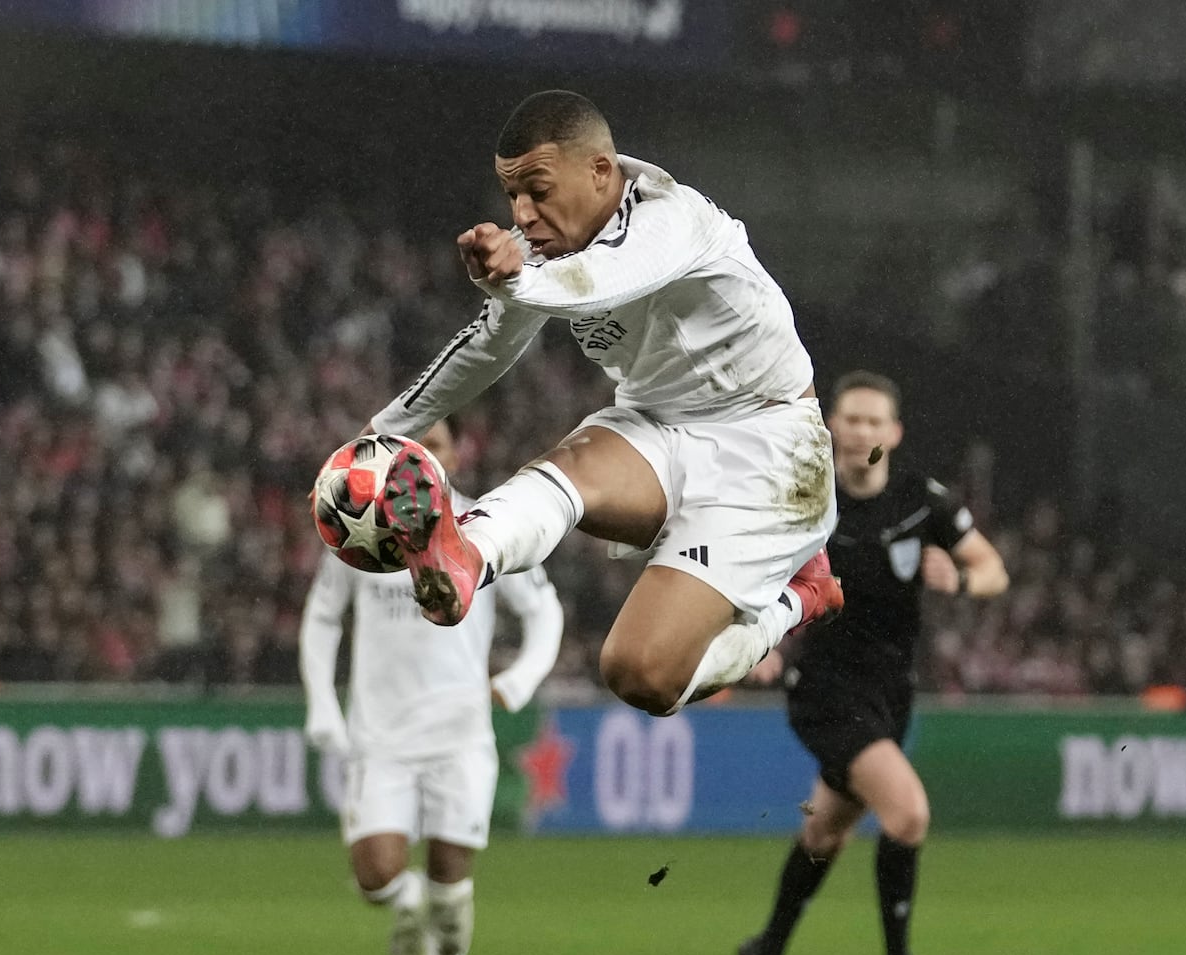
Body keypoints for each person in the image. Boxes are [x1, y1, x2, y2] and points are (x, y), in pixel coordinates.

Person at [358, 89, 841, 719]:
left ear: (600, 172)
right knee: (574, 464)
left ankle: (801, 596)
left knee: (639, 673)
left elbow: (603, 282)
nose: (523, 213)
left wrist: (518, 280)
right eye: (512, 196)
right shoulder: (540, 250)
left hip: (773, 450)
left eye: (538, 189)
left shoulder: (674, 218)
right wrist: (378, 434)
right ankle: (463, 556)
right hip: (656, 427)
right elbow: (484, 347)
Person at [736, 371, 1009, 955]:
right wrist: (753, 635)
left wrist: (964, 577)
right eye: (849, 419)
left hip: (891, 693)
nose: (859, 431)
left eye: (872, 421)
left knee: (825, 830)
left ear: (894, 433)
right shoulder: (805, 498)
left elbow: (992, 567)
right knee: (908, 813)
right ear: (830, 426)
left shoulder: (923, 500)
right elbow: (742, 568)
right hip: (825, 690)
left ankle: (766, 949)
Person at [300, 420, 564, 955]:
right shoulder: (360, 531)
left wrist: (520, 679)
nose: (422, 461)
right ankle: (404, 902)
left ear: (450, 458)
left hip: (460, 736)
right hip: (381, 738)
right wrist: (321, 704)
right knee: (377, 877)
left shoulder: (486, 527)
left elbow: (544, 610)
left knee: (454, 887)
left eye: (437, 447)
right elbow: (321, 617)